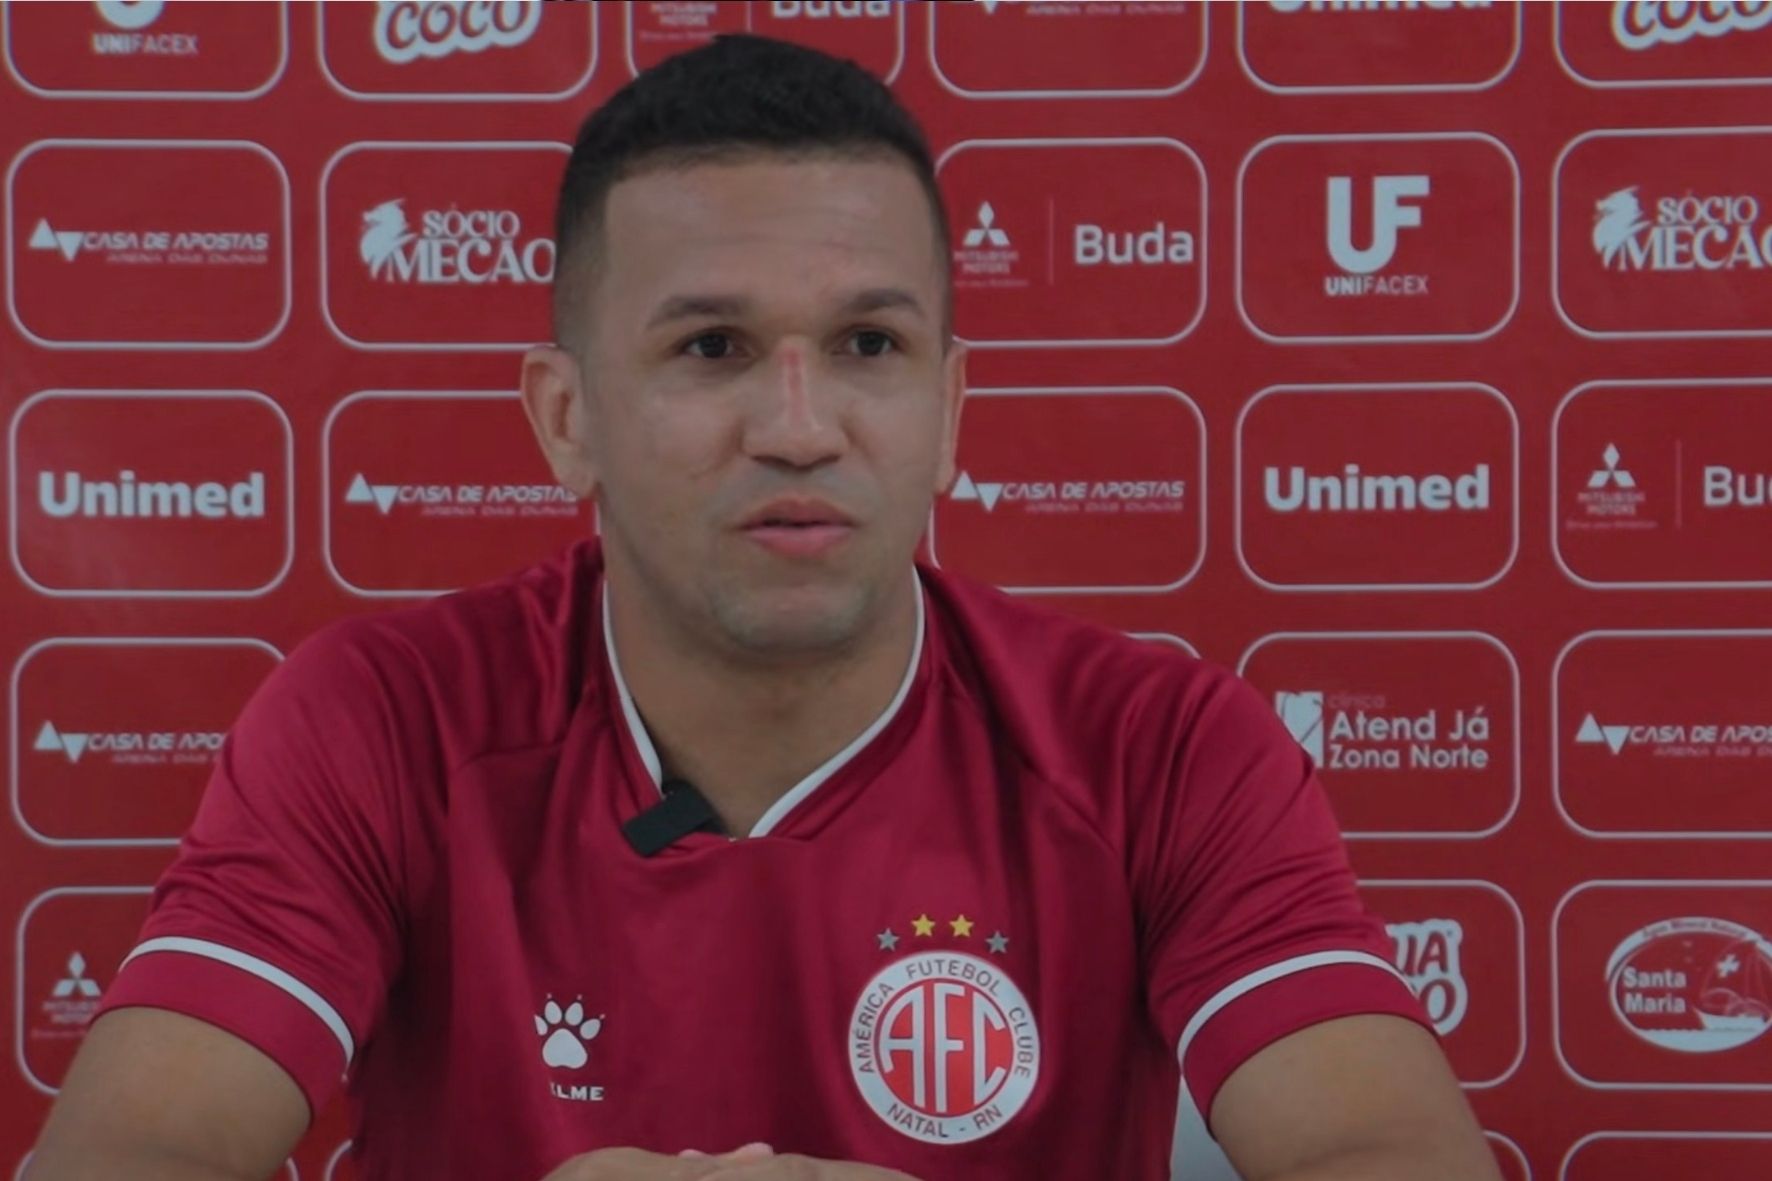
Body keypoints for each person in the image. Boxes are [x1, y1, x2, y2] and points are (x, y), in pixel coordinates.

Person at [26, 34, 1501, 1181]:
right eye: (713, 347)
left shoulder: (1159, 744)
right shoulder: (384, 719)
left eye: (868, 344)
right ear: (566, 418)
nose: (799, 428)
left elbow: (1391, 1154)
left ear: (949, 408)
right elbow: (129, 1154)